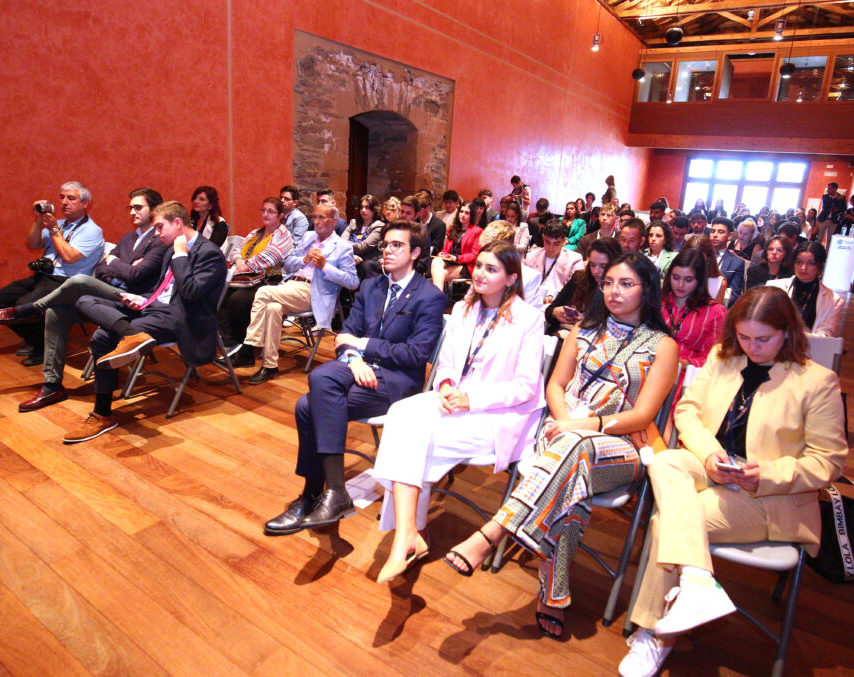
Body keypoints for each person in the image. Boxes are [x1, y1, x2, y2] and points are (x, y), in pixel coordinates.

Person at [618, 286, 847, 677]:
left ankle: (658, 632)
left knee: (666, 522)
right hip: (713, 465)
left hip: (769, 494)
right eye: (744, 337)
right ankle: (697, 582)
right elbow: (688, 411)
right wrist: (709, 456)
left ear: (788, 332)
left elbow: (829, 462)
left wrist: (767, 474)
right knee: (668, 460)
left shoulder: (817, 382)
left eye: (764, 339)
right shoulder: (723, 358)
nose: (752, 347)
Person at [443, 252, 678, 637]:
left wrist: (578, 424)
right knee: (572, 479)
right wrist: (566, 420)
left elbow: (643, 414)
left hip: (622, 446)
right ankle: (552, 594)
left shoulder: (663, 346)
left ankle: (495, 531)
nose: (614, 291)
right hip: (568, 439)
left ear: (647, 289)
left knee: (575, 447)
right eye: (609, 283)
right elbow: (555, 384)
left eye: (626, 284)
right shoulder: (585, 328)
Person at [370, 239, 546, 584]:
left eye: (491, 269)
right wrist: (448, 385)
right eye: (478, 265)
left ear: (511, 278)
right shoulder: (465, 308)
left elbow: (525, 387)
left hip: (498, 414)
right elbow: (448, 363)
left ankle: (410, 534)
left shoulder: (529, 319)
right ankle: (410, 533)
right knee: (400, 416)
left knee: (409, 441)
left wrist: (472, 399)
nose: (479, 273)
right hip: (453, 399)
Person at [263, 220, 448, 534]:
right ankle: (330, 493)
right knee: (318, 388)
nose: (386, 251)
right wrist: (353, 360)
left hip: (396, 382)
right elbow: (345, 335)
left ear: (415, 252)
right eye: (385, 244)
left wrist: (363, 347)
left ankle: (317, 494)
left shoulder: (429, 296)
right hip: (357, 370)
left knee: (309, 403)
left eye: (396, 245)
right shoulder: (371, 286)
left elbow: (415, 355)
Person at [0, 187, 166, 411]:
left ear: (154, 210)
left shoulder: (159, 240)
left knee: (80, 280)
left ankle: (31, 309)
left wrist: (114, 264)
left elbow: (136, 276)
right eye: (130, 207)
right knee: (56, 313)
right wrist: (116, 265)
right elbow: (102, 269)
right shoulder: (128, 237)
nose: (132, 212)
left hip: (134, 300)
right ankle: (52, 385)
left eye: (138, 207)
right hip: (109, 295)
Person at [64, 201, 227, 443]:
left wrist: (182, 257)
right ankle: (130, 334)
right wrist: (140, 298)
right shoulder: (172, 248)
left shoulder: (209, 254)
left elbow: (191, 293)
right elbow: (160, 287)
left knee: (102, 337)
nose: (157, 233)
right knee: (85, 299)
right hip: (153, 308)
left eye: (160, 227)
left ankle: (103, 414)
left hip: (182, 317)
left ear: (178, 223)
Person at [232, 203, 359, 383]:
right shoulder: (308, 237)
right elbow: (288, 262)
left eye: (321, 218)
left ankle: (248, 348)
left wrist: (325, 266)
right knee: (273, 308)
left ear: (333, 221)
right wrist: (303, 259)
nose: (316, 221)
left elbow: (353, 282)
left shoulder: (343, 247)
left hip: (313, 292)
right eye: (314, 217)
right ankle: (270, 366)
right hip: (292, 285)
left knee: (263, 292)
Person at [0, 181, 106, 366]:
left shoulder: (92, 231)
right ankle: (37, 340)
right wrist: (39, 221)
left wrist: (54, 230)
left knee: (22, 306)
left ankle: (43, 347)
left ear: (85, 203)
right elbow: (32, 244)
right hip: (43, 277)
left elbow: (69, 256)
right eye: (62, 197)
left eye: (71, 198)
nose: (64, 202)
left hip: (67, 282)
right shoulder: (59, 224)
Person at [219, 197, 294, 360]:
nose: (266, 214)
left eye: (271, 211)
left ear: (280, 215)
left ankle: (245, 343)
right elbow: (235, 251)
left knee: (238, 300)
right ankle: (230, 342)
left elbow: (270, 257)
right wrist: (239, 261)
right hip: (245, 277)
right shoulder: (255, 233)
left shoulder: (283, 235)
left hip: (270, 280)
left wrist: (245, 264)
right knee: (221, 295)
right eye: (264, 210)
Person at [661, 249, 725, 370]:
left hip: (688, 376)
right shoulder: (659, 302)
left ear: (699, 281)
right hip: (651, 367)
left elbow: (712, 359)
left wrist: (683, 363)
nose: (680, 285)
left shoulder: (715, 312)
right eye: (675, 278)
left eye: (688, 280)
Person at [768, 241, 845, 337]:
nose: (803, 268)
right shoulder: (774, 287)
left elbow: (825, 334)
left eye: (811, 263)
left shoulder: (834, 300)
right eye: (799, 262)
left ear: (820, 265)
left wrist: (795, 336)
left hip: (809, 348)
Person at [545, 238, 620, 335]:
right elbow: (550, 309)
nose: (596, 271)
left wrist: (586, 324)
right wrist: (555, 312)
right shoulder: (580, 278)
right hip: (561, 334)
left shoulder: (618, 291)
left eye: (603, 266)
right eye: (592, 265)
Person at [523, 219, 584, 305]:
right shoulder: (531, 256)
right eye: (547, 242)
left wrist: (553, 297)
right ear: (543, 237)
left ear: (564, 241)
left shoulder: (575, 259)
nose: (551, 248)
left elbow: (575, 289)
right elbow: (524, 285)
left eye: (556, 244)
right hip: (533, 301)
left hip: (560, 303)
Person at [430, 201, 483, 290]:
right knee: (436, 261)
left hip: (466, 265)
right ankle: (439, 296)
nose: (463, 215)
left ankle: (437, 296)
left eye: (467, 213)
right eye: (461, 212)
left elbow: (475, 255)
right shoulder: (452, 228)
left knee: (438, 276)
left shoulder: (477, 231)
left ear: (472, 215)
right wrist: (442, 254)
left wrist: (457, 258)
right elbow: (446, 249)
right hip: (450, 260)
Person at [344, 194, 386, 279]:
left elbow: (362, 247)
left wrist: (346, 246)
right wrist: (351, 256)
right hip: (352, 257)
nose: (363, 210)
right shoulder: (353, 223)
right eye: (361, 207)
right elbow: (341, 242)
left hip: (368, 261)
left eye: (367, 207)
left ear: (374, 209)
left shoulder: (379, 226)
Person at [710, 217, 746, 307]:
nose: (715, 235)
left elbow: (733, 295)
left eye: (720, 232)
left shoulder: (737, 262)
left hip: (720, 307)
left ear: (730, 235)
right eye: (712, 231)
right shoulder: (700, 256)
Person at [683, 236, 728, 306]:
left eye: (699, 257)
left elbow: (716, 313)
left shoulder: (718, 283)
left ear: (708, 257)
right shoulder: (677, 275)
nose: (694, 261)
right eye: (691, 256)